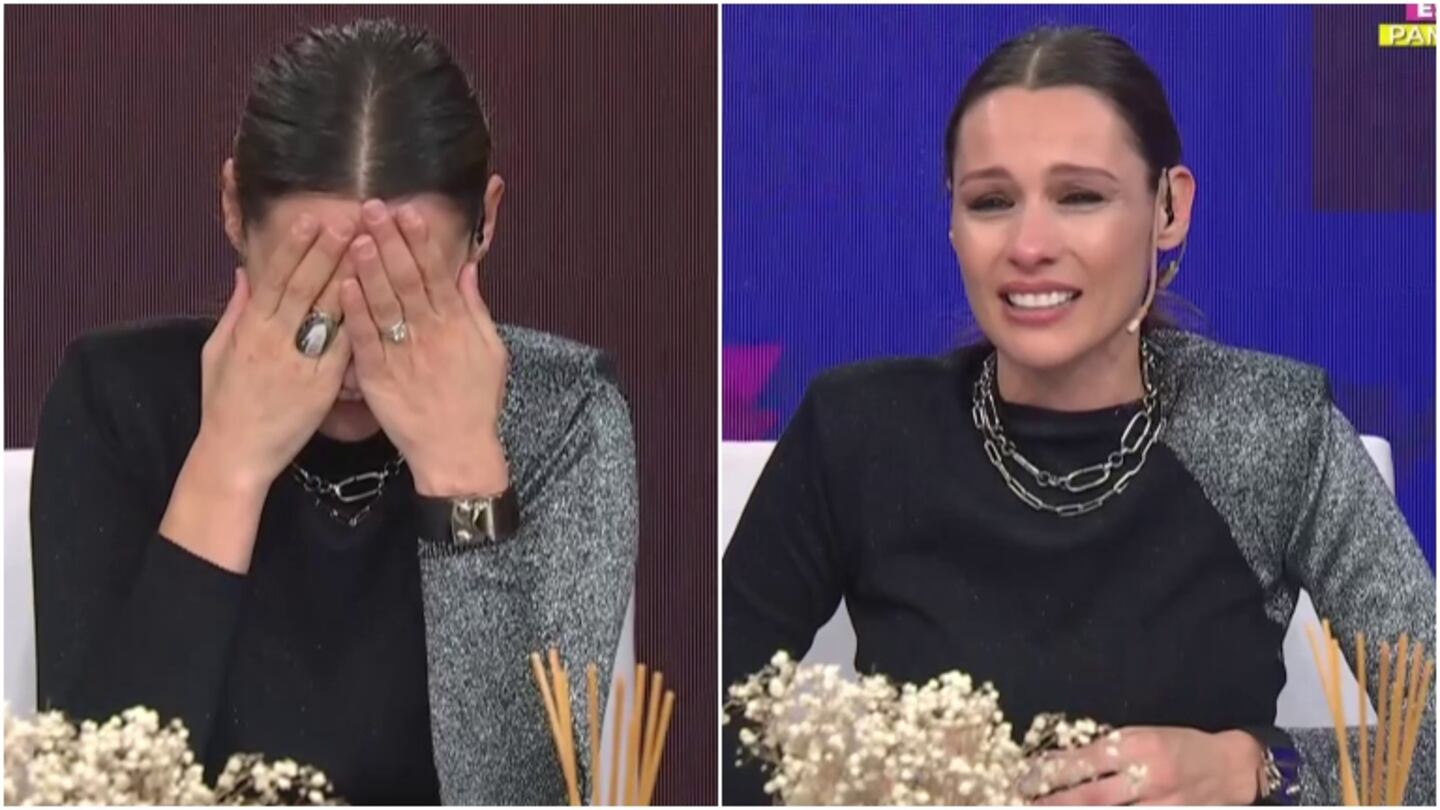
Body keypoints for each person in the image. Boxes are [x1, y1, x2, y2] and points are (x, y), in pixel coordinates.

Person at [722, 25, 1433, 806]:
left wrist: (1256, 767)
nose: (1029, 245)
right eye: (992, 201)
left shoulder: (1274, 429)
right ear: (953, 224)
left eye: (1081, 197)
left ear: (1169, 208)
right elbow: (702, 729)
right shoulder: (856, 431)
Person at [31, 18, 637, 805]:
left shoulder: (564, 415)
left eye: (401, 294)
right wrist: (228, 464)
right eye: (310, 291)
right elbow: (87, 795)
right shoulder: (117, 402)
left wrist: (461, 469)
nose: (354, 347)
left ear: (483, 225)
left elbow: (530, 800)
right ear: (233, 209)